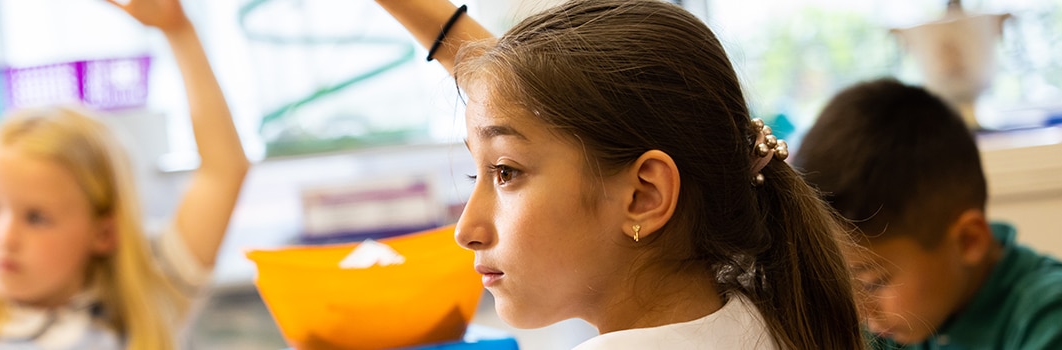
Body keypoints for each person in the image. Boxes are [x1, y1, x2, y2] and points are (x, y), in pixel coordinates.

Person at [376, 0, 865, 348]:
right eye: (474, 174)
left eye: (505, 172)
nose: (467, 231)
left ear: (645, 195)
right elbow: (545, 105)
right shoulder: (761, 310)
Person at [0, 0, 249, 348]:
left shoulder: (148, 296)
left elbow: (223, 171)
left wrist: (179, 33)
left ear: (104, 231)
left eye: (37, 217)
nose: (3, 237)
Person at [794, 78, 1062, 349]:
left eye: (872, 283)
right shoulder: (906, 322)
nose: (859, 312)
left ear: (968, 240)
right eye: (843, 283)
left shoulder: (1047, 319)